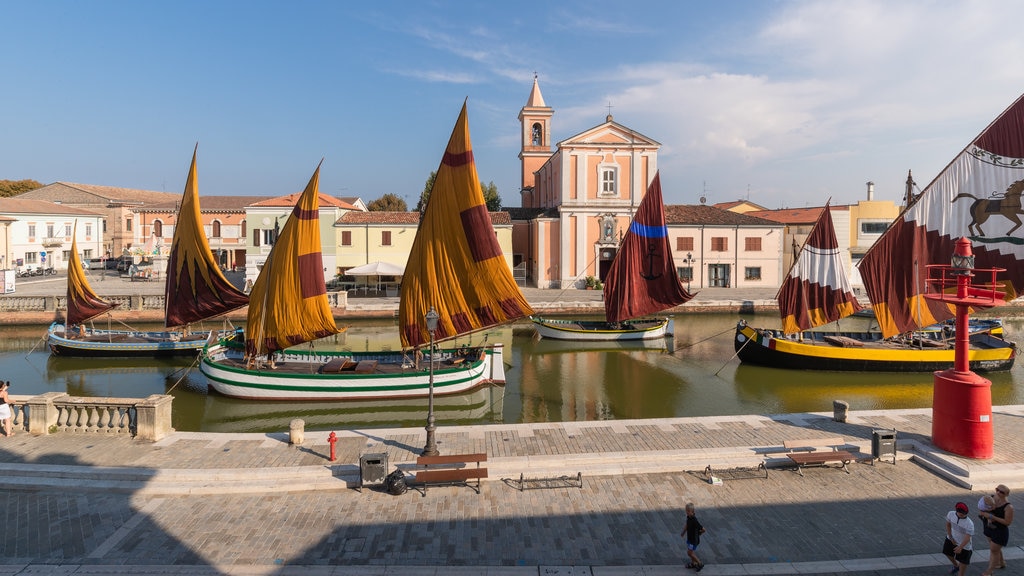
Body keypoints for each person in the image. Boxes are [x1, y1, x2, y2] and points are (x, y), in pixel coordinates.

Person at [979, 485, 1013, 576]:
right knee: (995, 548)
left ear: (1006, 494)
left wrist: (991, 517)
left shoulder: (1008, 507)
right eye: (997, 490)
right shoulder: (991, 498)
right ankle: (1001, 563)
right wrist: (982, 513)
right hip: (988, 527)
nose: (998, 492)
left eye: (1002, 492)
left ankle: (989, 571)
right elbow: (981, 506)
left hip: (1000, 531)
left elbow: (1007, 522)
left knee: (994, 550)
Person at [944, 501, 974, 575]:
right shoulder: (951, 514)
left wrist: (960, 547)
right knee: (947, 553)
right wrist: (950, 537)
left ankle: (960, 570)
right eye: (961, 513)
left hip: (965, 546)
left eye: (964, 514)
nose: (963, 515)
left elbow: (968, 537)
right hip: (951, 539)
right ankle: (956, 565)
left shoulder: (969, 523)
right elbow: (948, 525)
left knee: (962, 565)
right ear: (956, 511)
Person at [680, 502, 706, 572]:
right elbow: (687, 525)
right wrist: (683, 532)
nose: (687, 512)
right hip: (690, 539)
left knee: (689, 553)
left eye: (688, 511)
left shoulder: (695, 520)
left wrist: (699, 534)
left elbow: (703, 529)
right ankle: (693, 563)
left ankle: (699, 563)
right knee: (691, 552)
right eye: (686, 511)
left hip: (693, 540)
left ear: (693, 512)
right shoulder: (689, 517)